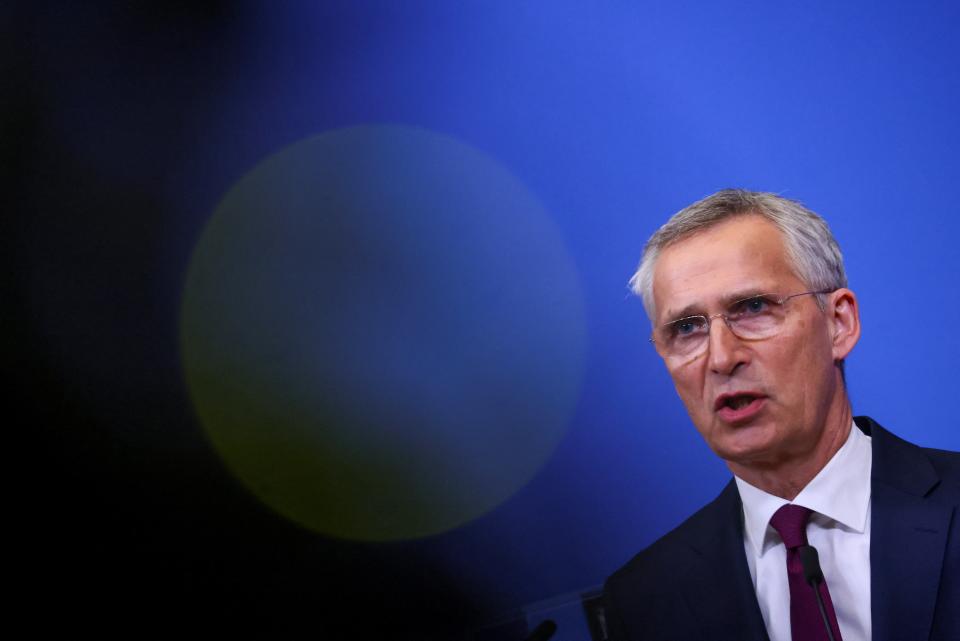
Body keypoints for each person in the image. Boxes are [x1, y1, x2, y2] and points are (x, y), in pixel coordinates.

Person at [603, 190, 959, 641]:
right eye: (687, 328)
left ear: (839, 323)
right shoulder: (643, 601)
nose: (720, 358)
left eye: (752, 308)